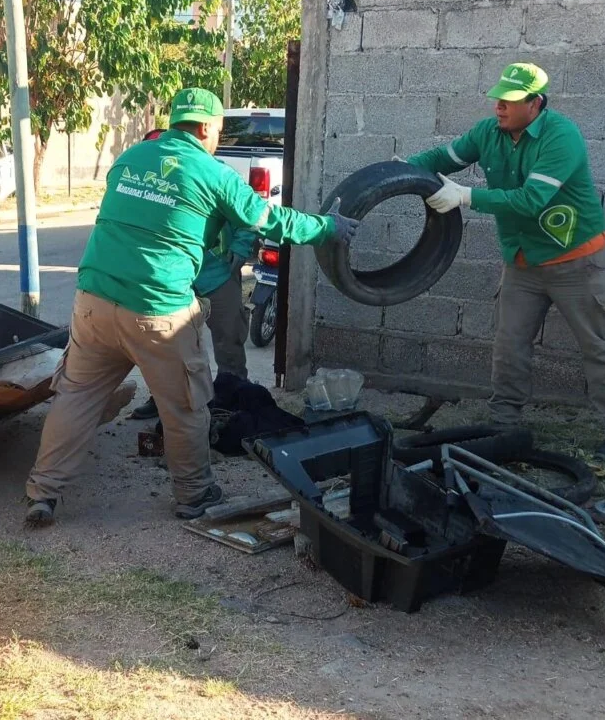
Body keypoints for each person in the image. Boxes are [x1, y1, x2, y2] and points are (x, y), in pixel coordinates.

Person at [25, 87, 360, 525]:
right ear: (205, 127)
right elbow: (271, 221)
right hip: (157, 311)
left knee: (76, 398)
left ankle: (43, 493)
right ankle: (195, 495)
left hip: (92, 302)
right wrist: (327, 227)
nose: (218, 137)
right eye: (219, 129)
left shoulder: (130, 159)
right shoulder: (212, 173)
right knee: (184, 405)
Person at [408, 63, 605, 462]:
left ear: (535, 103)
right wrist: (401, 168)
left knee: (600, 345)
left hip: (576, 261)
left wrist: (466, 197)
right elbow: (441, 158)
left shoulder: (560, 137)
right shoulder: (487, 133)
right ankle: (504, 424)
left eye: (511, 100)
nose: (500, 106)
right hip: (522, 260)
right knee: (509, 344)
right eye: (498, 98)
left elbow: (533, 199)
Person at [130, 126, 257, 419]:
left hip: (217, 273)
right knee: (165, 343)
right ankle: (161, 398)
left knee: (228, 337)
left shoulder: (215, 173)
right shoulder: (145, 181)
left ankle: (232, 394)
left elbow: (248, 215)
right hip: (171, 280)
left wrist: (240, 245)